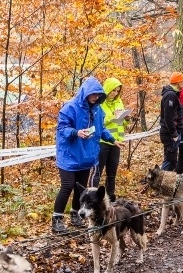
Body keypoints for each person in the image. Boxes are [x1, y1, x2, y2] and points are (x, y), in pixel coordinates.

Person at [52, 77, 120, 234]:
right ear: (85, 92)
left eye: (98, 95)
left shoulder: (97, 110)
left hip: (86, 156)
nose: (96, 97)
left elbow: (101, 129)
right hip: (69, 155)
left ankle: (76, 214)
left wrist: (112, 139)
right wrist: (76, 132)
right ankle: (57, 220)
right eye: (93, 94)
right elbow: (62, 129)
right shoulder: (70, 108)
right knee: (67, 185)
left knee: (80, 189)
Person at [90, 77, 132, 201]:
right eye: (113, 90)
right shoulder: (99, 103)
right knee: (98, 170)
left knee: (112, 172)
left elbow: (121, 123)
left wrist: (126, 119)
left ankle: (110, 196)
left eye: (117, 91)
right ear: (107, 90)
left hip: (116, 142)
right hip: (102, 142)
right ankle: (93, 196)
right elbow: (99, 123)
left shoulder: (119, 102)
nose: (115, 93)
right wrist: (112, 117)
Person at [159, 73, 183, 171]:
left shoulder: (173, 94)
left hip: (172, 132)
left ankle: (170, 182)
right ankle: (159, 181)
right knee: (169, 160)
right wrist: (174, 134)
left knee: (172, 160)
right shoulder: (170, 95)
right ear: (178, 83)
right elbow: (168, 117)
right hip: (170, 134)